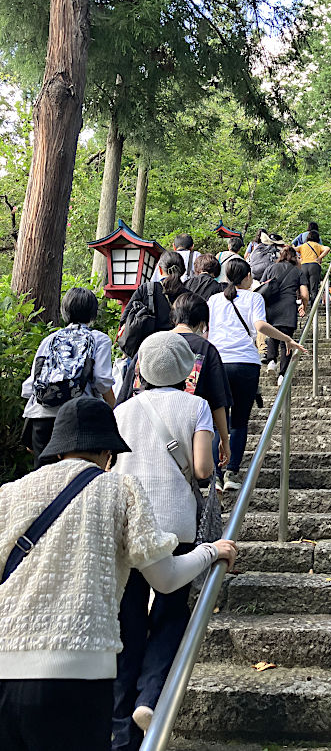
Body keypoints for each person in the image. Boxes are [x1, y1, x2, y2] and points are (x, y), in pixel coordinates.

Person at [0, 397, 236, 751]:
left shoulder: (10, 493)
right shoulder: (121, 488)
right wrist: (210, 551)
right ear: (110, 452)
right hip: (78, 670)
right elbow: (165, 578)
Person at [111, 331, 220, 749]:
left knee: (129, 618)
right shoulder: (197, 406)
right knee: (171, 613)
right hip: (177, 523)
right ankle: (151, 695)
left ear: (139, 369)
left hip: (126, 522)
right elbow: (203, 468)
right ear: (187, 370)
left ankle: (120, 731)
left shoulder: (122, 411)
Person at [207, 259, 306, 491]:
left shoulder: (213, 300)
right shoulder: (254, 297)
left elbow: (207, 330)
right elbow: (260, 326)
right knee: (240, 422)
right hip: (245, 364)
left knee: (216, 422)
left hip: (217, 363)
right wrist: (287, 339)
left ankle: (216, 474)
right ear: (248, 276)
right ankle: (232, 472)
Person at [116, 293, 232, 471]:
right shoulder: (206, 348)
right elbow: (218, 400)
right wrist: (224, 439)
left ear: (174, 316)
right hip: (184, 437)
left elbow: (126, 392)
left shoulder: (151, 344)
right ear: (202, 322)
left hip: (141, 427)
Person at [21, 287, 116, 466]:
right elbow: (102, 380)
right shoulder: (99, 339)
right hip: (79, 418)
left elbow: (30, 386)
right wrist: (115, 410)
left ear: (65, 311)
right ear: (93, 313)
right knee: (78, 476)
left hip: (42, 417)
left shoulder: (50, 339)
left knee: (44, 478)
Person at [118, 250, 188, 356]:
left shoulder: (146, 289)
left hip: (146, 351)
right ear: (183, 270)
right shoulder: (189, 296)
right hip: (177, 352)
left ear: (159, 269)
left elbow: (125, 319)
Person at [261, 245, 309, 386]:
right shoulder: (297, 272)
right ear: (295, 258)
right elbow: (305, 294)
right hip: (288, 307)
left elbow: (262, 285)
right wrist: (303, 305)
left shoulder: (270, 268)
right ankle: (282, 375)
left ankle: (271, 361)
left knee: (272, 336)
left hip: (271, 306)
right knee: (286, 342)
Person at [295, 230, 331, 305]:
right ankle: (314, 309)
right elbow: (327, 248)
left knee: (304, 287)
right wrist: (320, 257)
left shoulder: (303, 246)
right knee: (314, 289)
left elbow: (292, 249)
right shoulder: (317, 245)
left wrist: (298, 258)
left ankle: (304, 307)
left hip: (304, 266)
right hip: (314, 266)